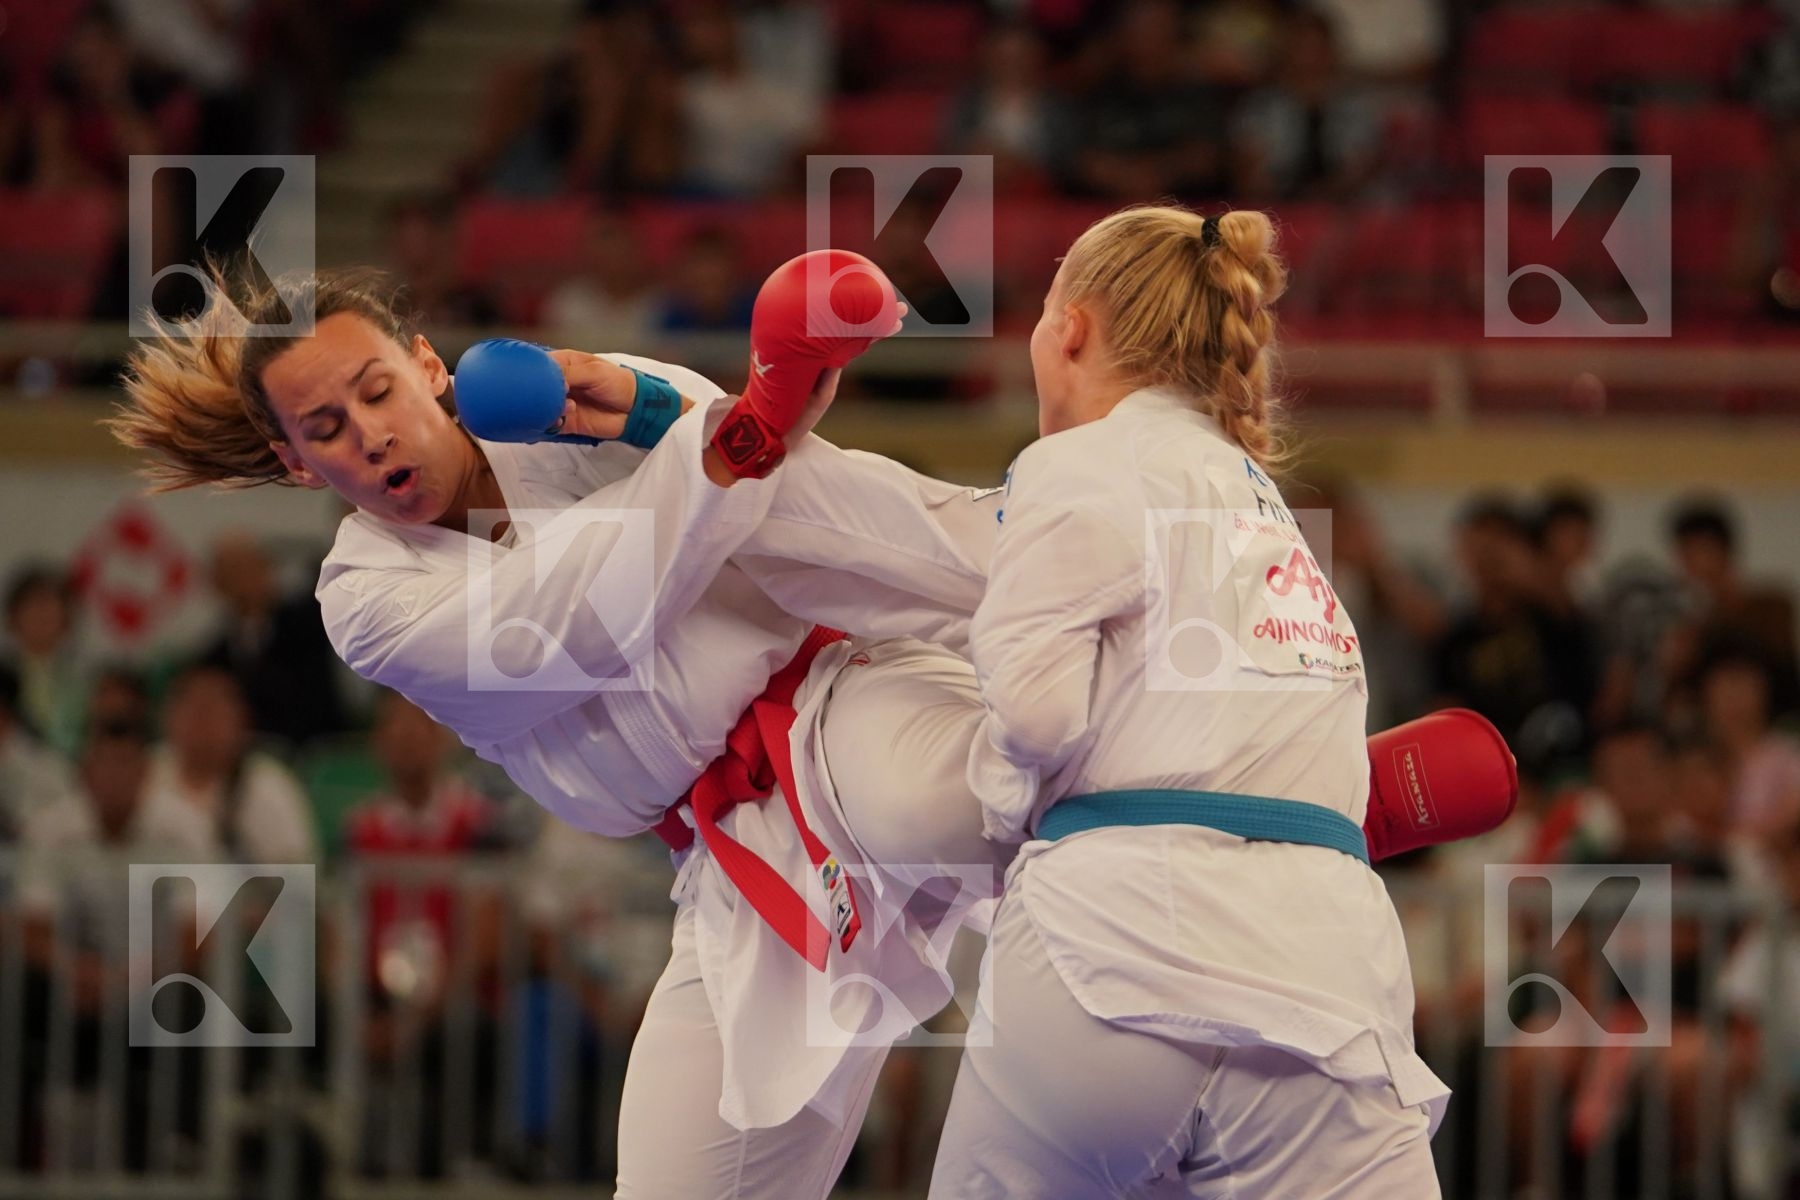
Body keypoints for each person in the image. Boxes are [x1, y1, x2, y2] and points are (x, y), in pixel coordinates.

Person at [109, 255, 1006, 1199]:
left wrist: (667, 409)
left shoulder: (562, 404)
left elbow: (787, 497)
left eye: (378, 391)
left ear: (427, 365)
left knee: (968, 801)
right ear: (296, 464)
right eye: (327, 429)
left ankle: (1108, 685)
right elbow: (559, 628)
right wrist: (716, 442)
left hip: (845, 704)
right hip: (734, 857)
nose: (371, 436)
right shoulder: (363, 596)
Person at [928, 205, 1444, 1197]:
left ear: (1068, 328)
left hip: (1115, 953)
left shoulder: (1077, 463)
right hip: (1327, 972)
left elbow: (1035, 718)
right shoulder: (1267, 509)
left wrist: (992, 803)